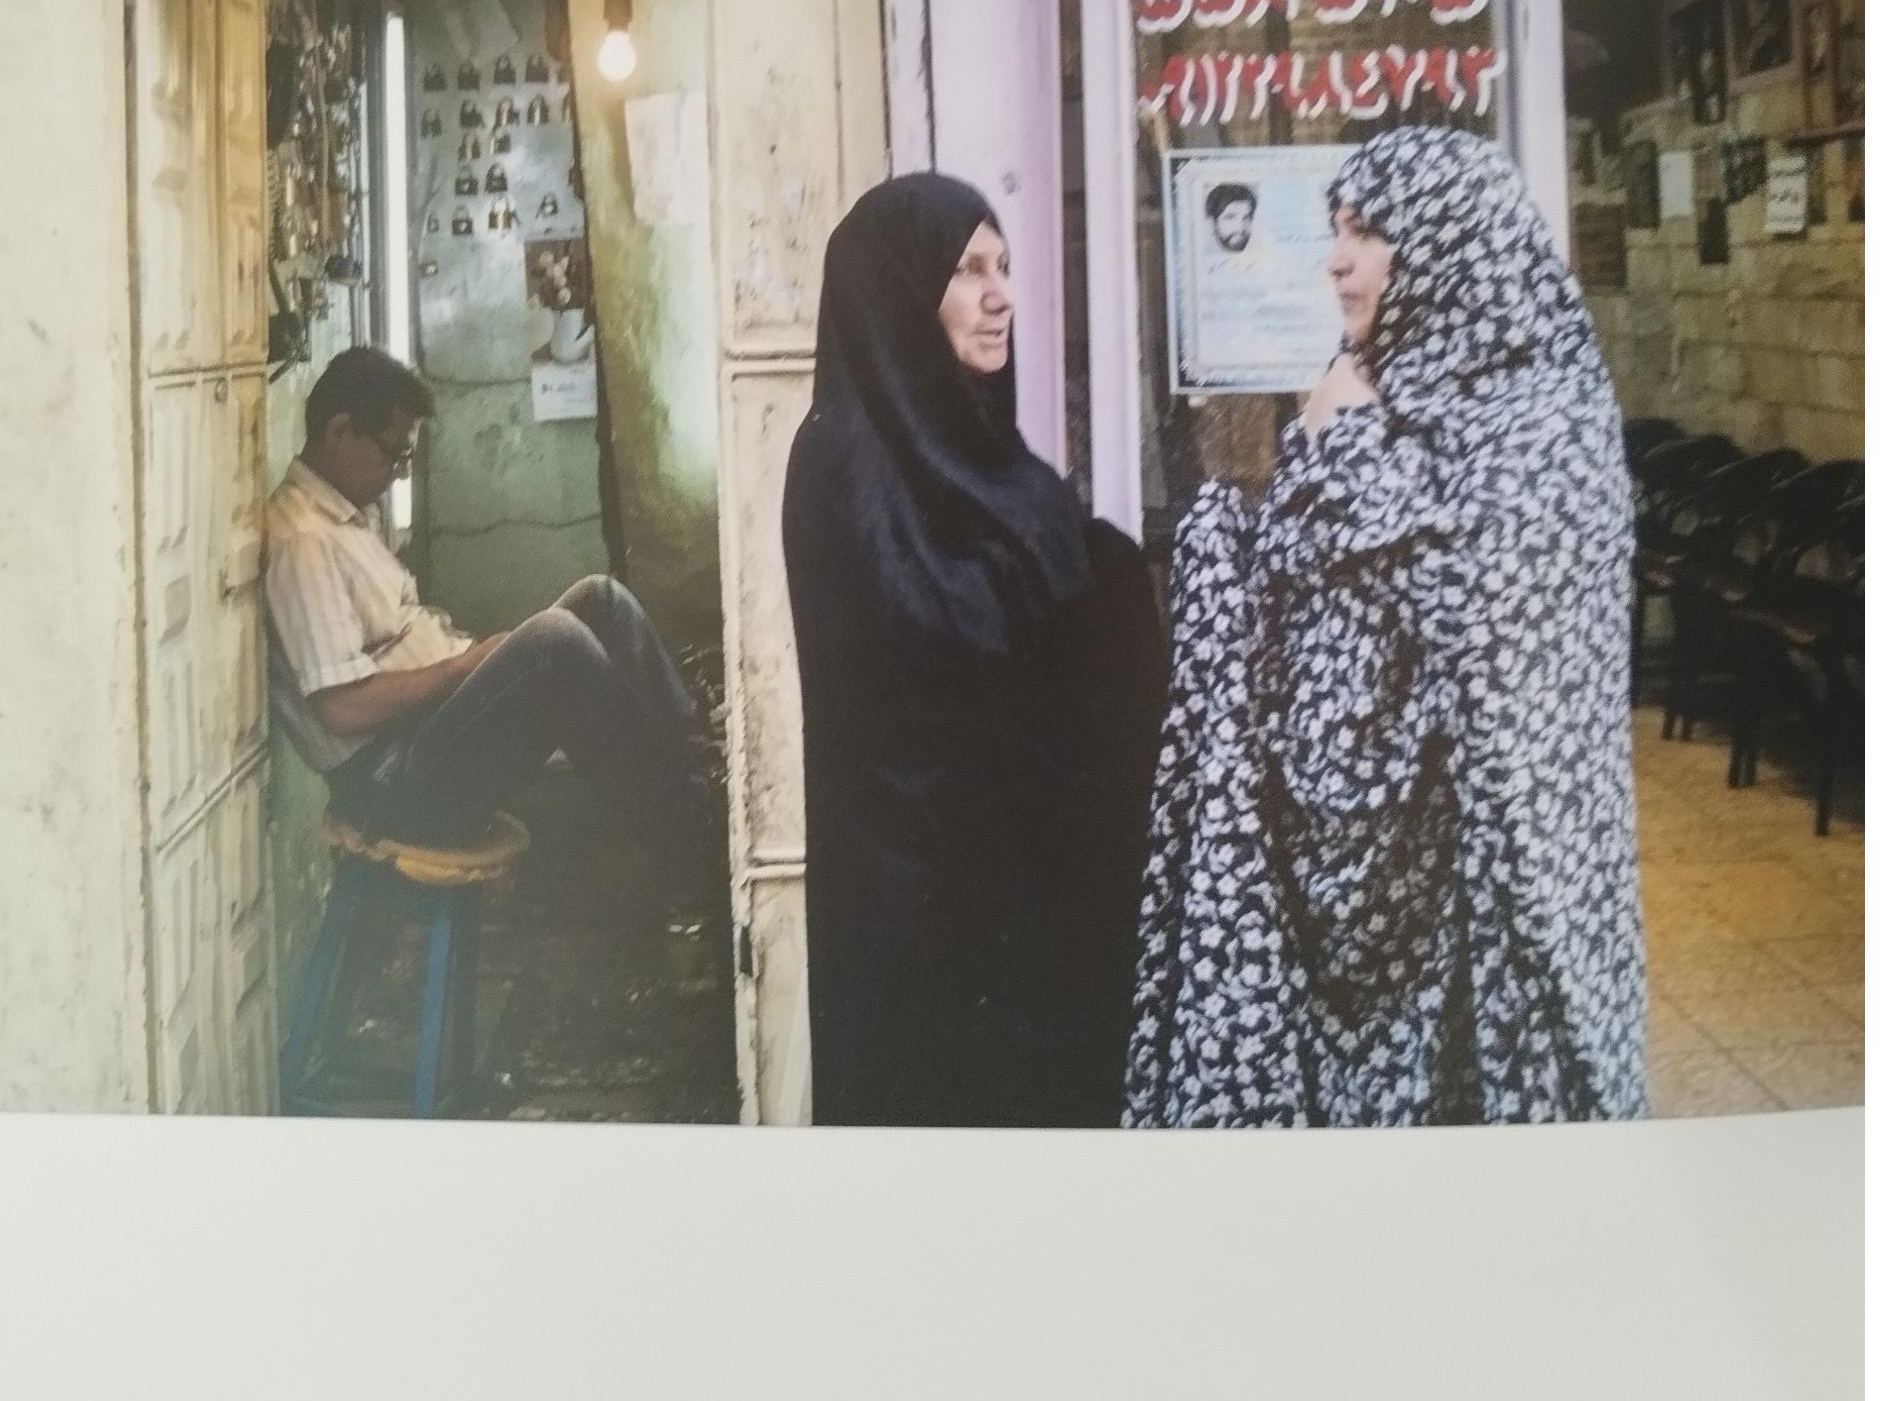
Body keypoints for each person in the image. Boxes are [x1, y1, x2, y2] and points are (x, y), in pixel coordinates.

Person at [1124, 129, 1649, 1128]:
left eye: (1367, 232)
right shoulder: (1371, 390)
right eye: (1336, 229)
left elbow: (1478, 618)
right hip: (1359, 914)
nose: (1335, 259)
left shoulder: (1548, 423)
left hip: (1483, 906)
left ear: (1449, 244)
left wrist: (1351, 445)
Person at [782, 173, 1167, 1128]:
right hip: (918, 896)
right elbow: (937, 647)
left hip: (1020, 901)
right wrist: (1090, 590)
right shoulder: (845, 462)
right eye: (968, 272)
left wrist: (1105, 576)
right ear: (903, 293)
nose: (1001, 298)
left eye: (1004, 268)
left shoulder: (992, 459)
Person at [263, 347, 717, 879]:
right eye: (394, 455)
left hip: (429, 737)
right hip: (395, 782)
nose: (400, 474)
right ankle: (695, 838)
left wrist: (470, 666)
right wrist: (463, 667)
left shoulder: (343, 517)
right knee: (555, 641)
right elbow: (342, 709)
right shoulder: (303, 540)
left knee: (602, 601)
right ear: (340, 431)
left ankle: (701, 767)